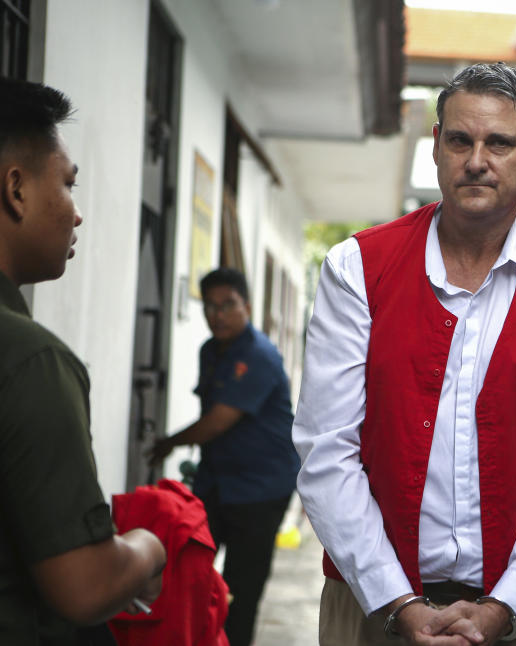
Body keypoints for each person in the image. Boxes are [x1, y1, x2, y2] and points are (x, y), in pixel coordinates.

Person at [293, 62, 516, 646]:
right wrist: (398, 603)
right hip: (370, 607)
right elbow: (326, 453)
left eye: (500, 142)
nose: (477, 160)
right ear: (436, 147)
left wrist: (504, 607)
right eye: (459, 140)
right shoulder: (357, 268)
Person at [0, 77, 167, 644]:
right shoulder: (32, 361)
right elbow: (86, 586)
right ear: (16, 189)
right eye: (68, 184)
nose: (76, 214)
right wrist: (149, 547)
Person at [149, 267, 300, 646]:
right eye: (211, 307)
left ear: (246, 306)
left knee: (240, 593)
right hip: (217, 482)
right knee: (188, 575)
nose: (218, 315)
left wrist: (169, 442)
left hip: (260, 490)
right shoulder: (210, 351)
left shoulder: (259, 355)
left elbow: (217, 420)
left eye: (228, 305)